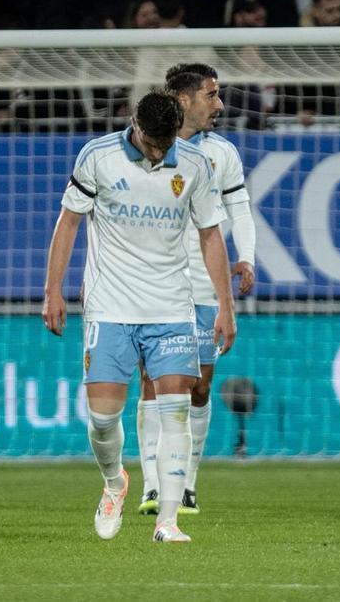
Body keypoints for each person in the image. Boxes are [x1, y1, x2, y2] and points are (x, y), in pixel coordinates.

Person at [42, 91, 236, 543]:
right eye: (152, 143)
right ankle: (114, 483)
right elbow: (69, 222)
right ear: (134, 124)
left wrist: (225, 305)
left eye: (166, 143)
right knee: (103, 419)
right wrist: (53, 290)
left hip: (171, 307)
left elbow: (211, 236)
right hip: (110, 308)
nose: (159, 152)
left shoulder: (195, 165)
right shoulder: (98, 156)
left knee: (176, 411)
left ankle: (168, 520)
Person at [136, 64, 255, 517]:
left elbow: (238, 208)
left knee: (199, 388)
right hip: (154, 280)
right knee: (154, 382)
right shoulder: (141, 144)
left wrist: (247, 256)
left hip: (204, 283)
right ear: (183, 100)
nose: (220, 104)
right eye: (212, 95)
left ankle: (185, 483)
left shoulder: (221, 153)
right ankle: (152, 485)